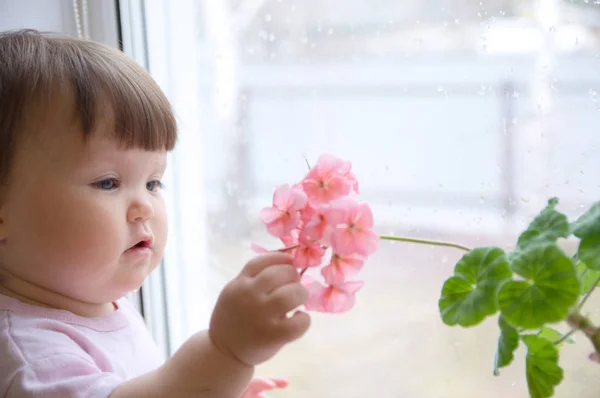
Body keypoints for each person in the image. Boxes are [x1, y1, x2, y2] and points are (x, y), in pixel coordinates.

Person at [0, 29, 311, 397]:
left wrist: (212, 386)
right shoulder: (32, 358)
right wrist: (224, 355)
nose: (145, 207)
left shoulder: (96, 302)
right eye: (107, 182)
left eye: (153, 183)